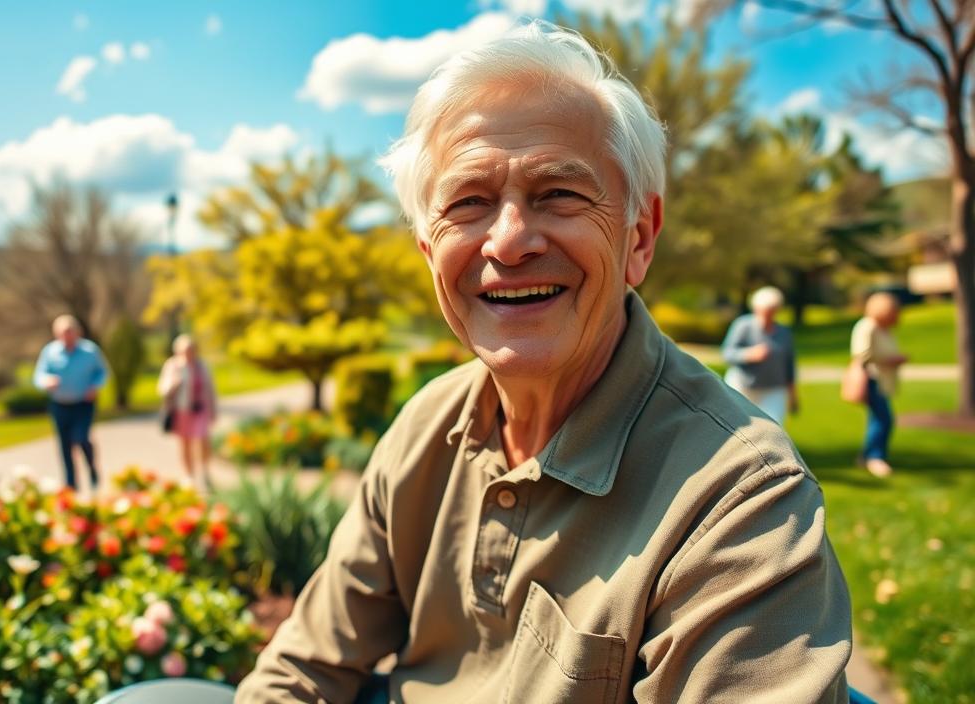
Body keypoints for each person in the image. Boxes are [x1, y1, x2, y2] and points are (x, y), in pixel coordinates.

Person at [237, 22, 850, 703]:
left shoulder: (740, 503)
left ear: (639, 238)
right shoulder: (424, 429)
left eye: (559, 193)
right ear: (429, 255)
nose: (508, 241)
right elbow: (302, 670)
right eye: (468, 203)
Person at [33, 314, 109, 494]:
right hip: (60, 404)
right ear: (56, 334)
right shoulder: (50, 352)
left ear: (77, 332)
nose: (67, 336)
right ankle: (71, 485)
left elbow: (102, 372)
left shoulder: (90, 351)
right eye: (63, 333)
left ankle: (92, 468)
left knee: (81, 438)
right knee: (65, 445)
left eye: (70, 332)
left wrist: (95, 386)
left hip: (83, 403)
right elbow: (39, 376)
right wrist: (46, 381)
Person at [721, 285, 798, 425]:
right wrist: (748, 354)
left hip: (773, 390)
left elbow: (789, 365)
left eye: (771, 311)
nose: (767, 315)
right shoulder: (743, 326)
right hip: (743, 386)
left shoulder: (783, 332)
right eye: (764, 311)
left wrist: (793, 395)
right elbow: (727, 353)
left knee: (773, 427)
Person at [851, 292, 908, 478]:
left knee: (878, 418)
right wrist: (891, 360)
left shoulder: (883, 329)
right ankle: (875, 457)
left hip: (881, 380)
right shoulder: (868, 326)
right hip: (872, 379)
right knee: (883, 418)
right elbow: (862, 354)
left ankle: (868, 455)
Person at [158, 334, 217, 491]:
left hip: (201, 409)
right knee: (185, 443)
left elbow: (210, 389)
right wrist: (175, 383)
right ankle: (188, 475)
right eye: (185, 350)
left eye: (191, 350)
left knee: (203, 441)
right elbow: (163, 389)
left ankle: (205, 471)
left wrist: (213, 409)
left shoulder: (202, 366)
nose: (189, 353)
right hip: (182, 410)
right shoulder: (173, 366)